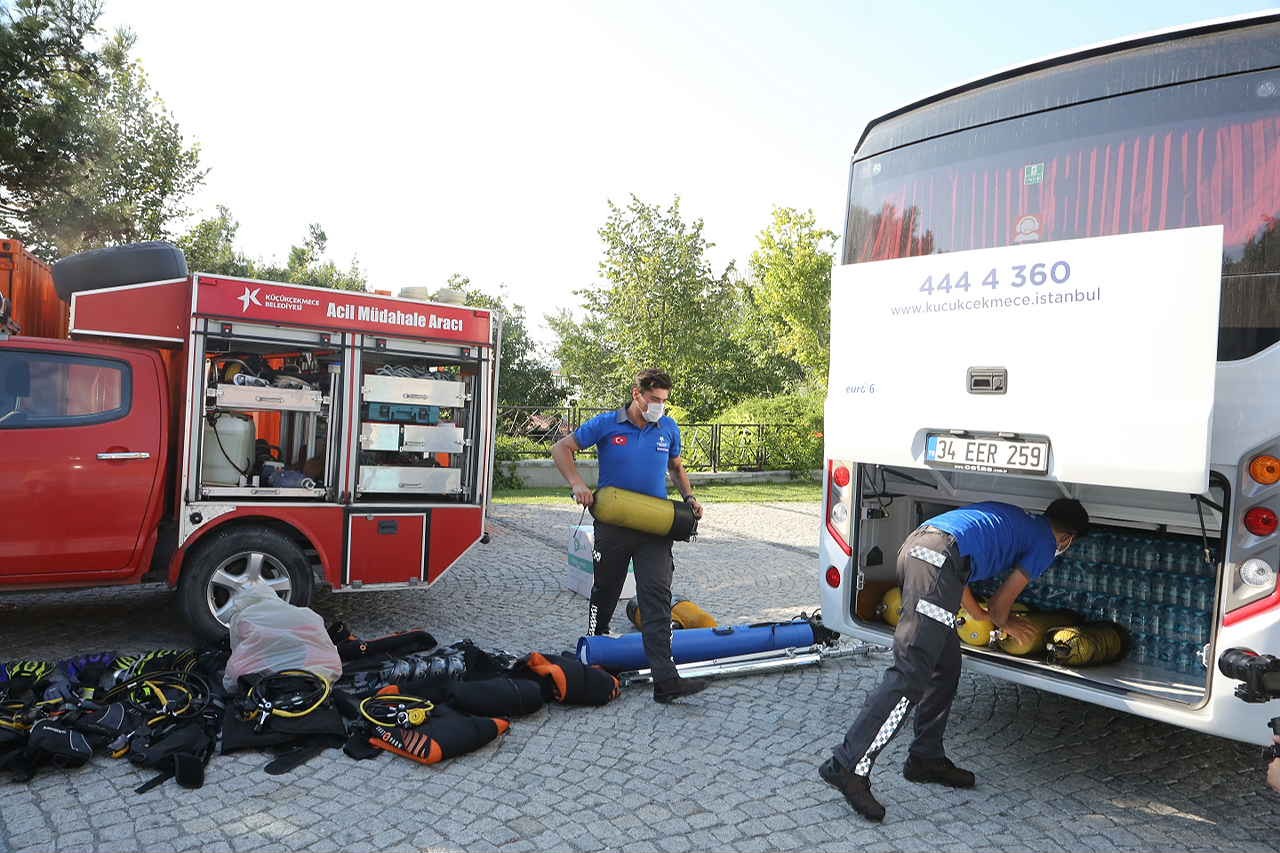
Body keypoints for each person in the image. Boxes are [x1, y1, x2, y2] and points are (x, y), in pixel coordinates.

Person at [820, 498, 1090, 821]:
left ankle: (925, 757)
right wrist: (1007, 622)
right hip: (937, 564)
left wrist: (979, 614)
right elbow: (1003, 604)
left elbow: (959, 565)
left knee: (946, 664)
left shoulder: (1016, 518)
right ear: (1067, 539)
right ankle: (848, 765)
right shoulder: (1046, 542)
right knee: (909, 675)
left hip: (921, 551)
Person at [551, 368, 707, 704]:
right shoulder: (607, 424)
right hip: (613, 522)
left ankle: (666, 681)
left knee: (656, 595)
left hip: (655, 526)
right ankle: (596, 652)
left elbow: (676, 467)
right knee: (605, 590)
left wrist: (689, 498)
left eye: (664, 401)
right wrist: (577, 483)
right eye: (654, 400)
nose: (659, 407)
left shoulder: (668, 427)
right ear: (637, 394)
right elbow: (562, 448)